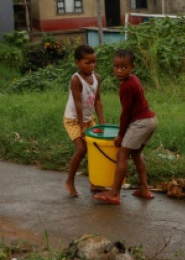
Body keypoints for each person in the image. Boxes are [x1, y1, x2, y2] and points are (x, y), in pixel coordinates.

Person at [94, 49, 158, 204]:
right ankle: (144, 189)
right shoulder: (133, 80)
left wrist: (121, 135)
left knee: (122, 155)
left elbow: (126, 114)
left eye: (124, 67)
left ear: (132, 67)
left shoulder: (126, 87)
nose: (119, 71)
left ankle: (114, 193)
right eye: (116, 67)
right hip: (151, 120)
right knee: (136, 155)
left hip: (140, 123)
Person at [62, 45, 106, 197]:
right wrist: (81, 127)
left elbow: (98, 101)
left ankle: (95, 183)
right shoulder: (76, 79)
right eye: (88, 63)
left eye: (94, 62)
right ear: (77, 62)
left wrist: (102, 123)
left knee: (96, 149)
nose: (92, 65)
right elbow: (78, 103)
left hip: (89, 119)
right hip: (73, 119)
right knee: (81, 149)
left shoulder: (97, 78)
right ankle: (69, 181)